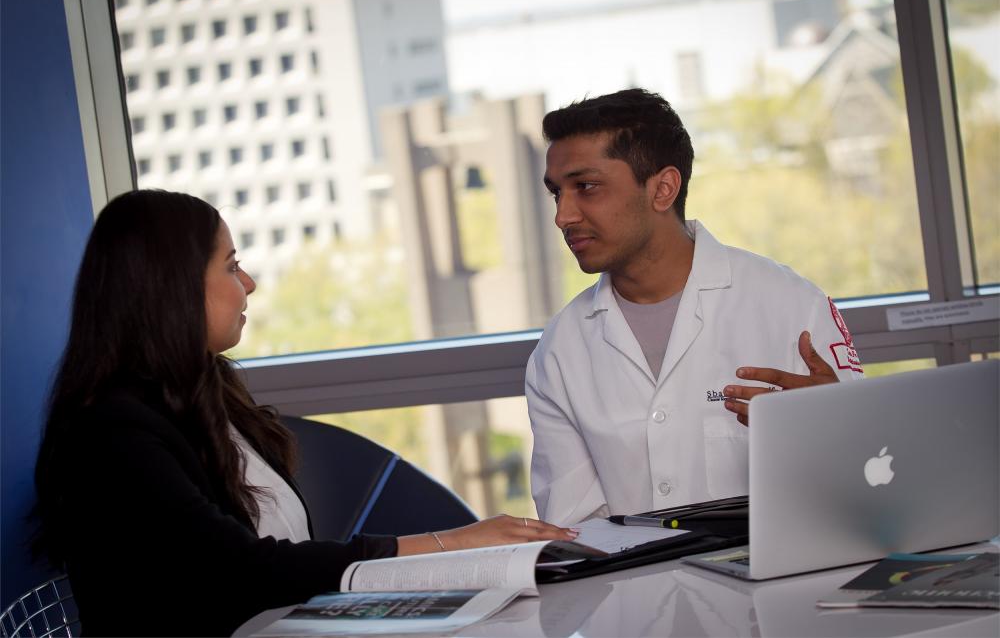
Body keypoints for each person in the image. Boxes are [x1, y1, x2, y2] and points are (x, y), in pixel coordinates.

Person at [31, 190, 576, 636]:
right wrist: (450, 543)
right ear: (170, 290)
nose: (249, 284)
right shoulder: (111, 433)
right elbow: (241, 569)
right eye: (231, 266)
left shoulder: (210, 392)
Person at [526, 89, 863, 526]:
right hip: (635, 593)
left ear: (663, 188)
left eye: (585, 187)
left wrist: (836, 429)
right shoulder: (560, 350)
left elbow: (870, 479)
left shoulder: (792, 305)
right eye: (557, 193)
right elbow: (575, 529)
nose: (563, 216)